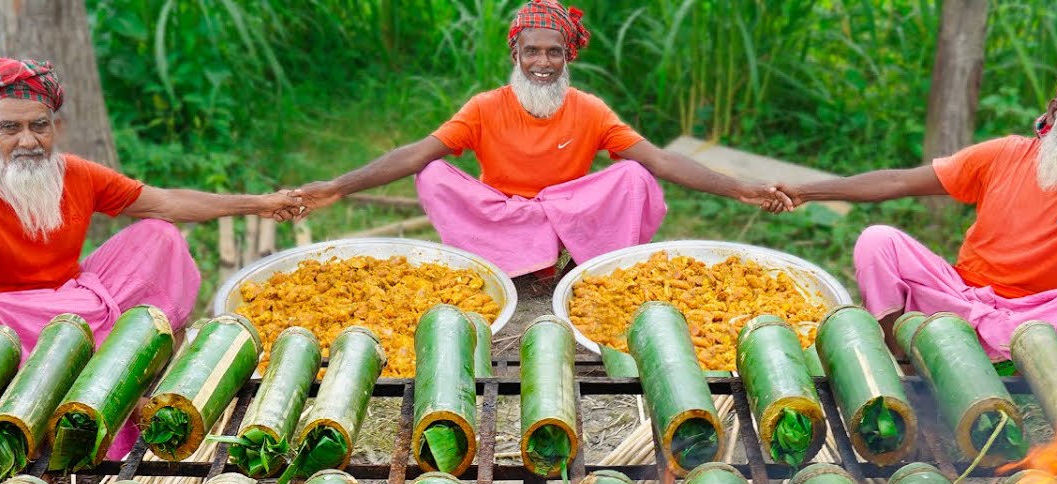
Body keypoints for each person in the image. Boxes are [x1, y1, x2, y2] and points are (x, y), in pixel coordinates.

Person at [292, 0, 786, 278]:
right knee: (434, 173)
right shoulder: (486, 106)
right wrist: (336, 187)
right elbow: (416, 153)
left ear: (568, 57)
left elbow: (660, 160)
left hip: (565, 212)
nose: (543, 64)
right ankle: (515, 257)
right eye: (533, 52)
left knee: (635, 174)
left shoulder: (589, 109)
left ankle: (590, 262)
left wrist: (741, 188)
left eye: (554, 53)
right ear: (517, 54)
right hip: (503, 216)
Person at [770, 51, 1057, 360]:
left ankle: (995, 354)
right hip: (958, 297)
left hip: (1029, 321)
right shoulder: (1003, 154)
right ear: (1055, 108)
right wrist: (808, 191)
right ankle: (901, 357)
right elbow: (898, 180)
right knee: (879, 240)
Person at [0, 57, 303, 376]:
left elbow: (168, 203)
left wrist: (259, 203)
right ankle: (80, 357)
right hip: (8, 316)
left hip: (74, 301)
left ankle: (146, 358)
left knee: (160, 234)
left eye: (39, 126)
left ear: (54, 127)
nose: (28, 141)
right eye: (10, 128)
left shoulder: (77, 173)